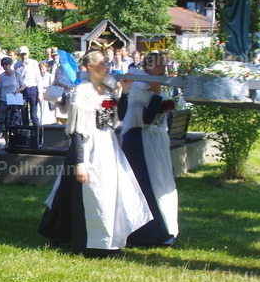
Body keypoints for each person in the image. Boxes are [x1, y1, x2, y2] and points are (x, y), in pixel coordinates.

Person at [39, 50, 152, 256]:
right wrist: (80, 163)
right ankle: (92, 241)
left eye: (107, 62)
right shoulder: (81, 92)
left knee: (112, 191)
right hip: (88, 146)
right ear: (89, 66)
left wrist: (125, 92)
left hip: (107, 144)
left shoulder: (107, 88)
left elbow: (118, 117)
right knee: (93, 192)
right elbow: (76, 130)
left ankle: (108, 237)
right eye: (102, 63)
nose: (107, 66)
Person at [120, 51, 178, 246]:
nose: (163, 69)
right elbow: (144, 119)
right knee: (145, 185)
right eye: (159, 65)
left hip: (155, 141)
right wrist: (157, 95)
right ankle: (149, 232)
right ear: (148, 67)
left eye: (165, 65)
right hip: (140, 142)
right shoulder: (140, 86)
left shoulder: (155, 84)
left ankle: (165, 229)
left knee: (160, 183)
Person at [0, 57, 22, 137]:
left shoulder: (17, 73)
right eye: (2, 64)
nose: (4, 66)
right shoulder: (2, 76)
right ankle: (7, 142)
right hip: (4, 101)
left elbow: (23, 85)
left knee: (14, 122)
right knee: (3, 123)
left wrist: (17, 91)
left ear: (10, 64)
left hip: (14, 101)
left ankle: (15, 141)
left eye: (6, 64)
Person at [16, 45, 42, 126]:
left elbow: (38, 78)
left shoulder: (33, 63)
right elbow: (16, 79)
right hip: (22, 90)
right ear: (20, 55)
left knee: (34, 114)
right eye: (22, 54)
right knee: (24, 113)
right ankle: (25, 133)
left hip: (32, 89)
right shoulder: (17, 65)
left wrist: (40, 93)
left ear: (28, 54)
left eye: (25, 54)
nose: (24, 56)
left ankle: (37, 133)